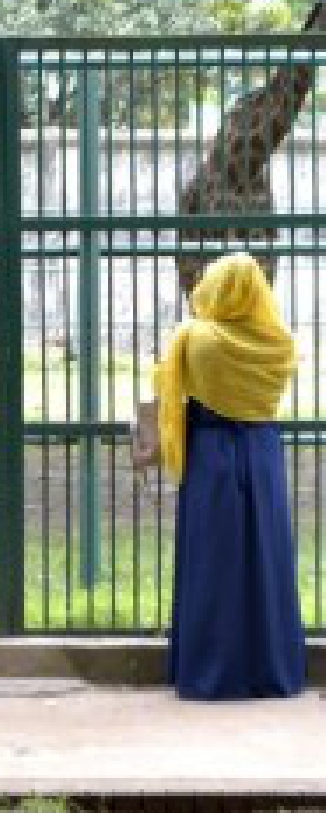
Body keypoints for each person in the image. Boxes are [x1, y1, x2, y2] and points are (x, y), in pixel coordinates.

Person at [157, 251, 305, 700]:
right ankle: (271, 669)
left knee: (212, 560)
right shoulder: (278, 342)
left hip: (211, 454)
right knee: (266, 558)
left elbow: (168, 385)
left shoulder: (196, 338)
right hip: (262, 454)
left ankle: (210, 671)